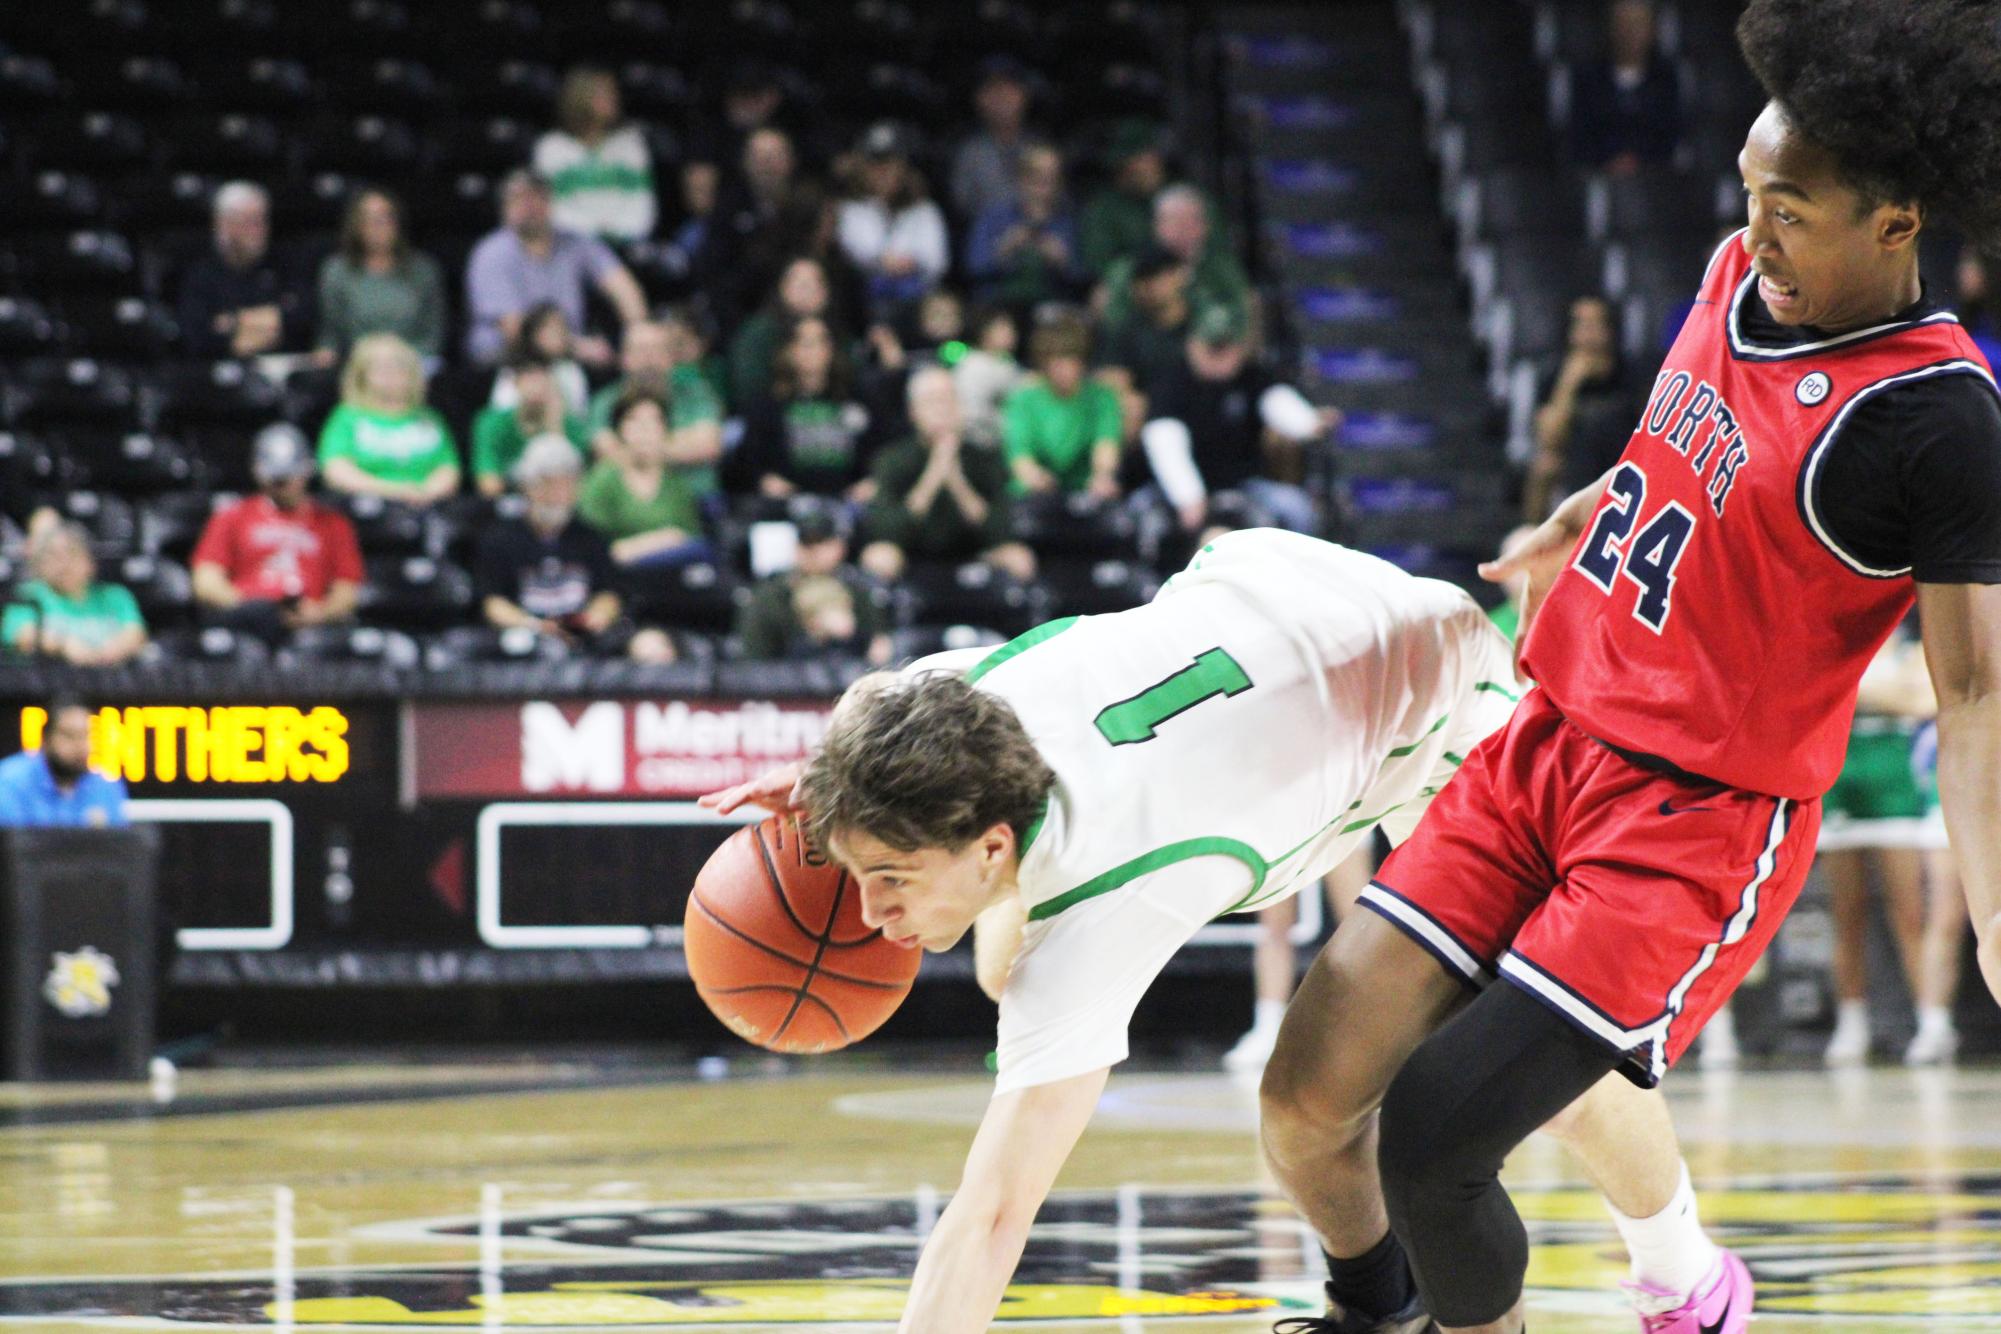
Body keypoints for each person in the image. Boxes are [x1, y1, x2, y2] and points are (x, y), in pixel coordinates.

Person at [1259, 5, 2001, 1332]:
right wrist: (1595, 503)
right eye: (1747, 193)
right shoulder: (1733, 277)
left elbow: (1974, 689)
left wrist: (1995, 907)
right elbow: (1707, 453)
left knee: (1435, 1135)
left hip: (1692, 823)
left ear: (1895, 221)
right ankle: (1381, 1312)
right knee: (1307, 1089)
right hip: (1547, 745)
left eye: (1790, 206)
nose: (1754, 226)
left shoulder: (1936, 417)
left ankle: (1636, 1290)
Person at [698, 528, 1723, 1334]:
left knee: (1540, 1058)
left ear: (993, 845)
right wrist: (829, 790)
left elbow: (991, 1216)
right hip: (1258, 589)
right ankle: (1383, 1304)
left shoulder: (1108, 902)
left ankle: (1690, 1278)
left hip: (1430, 689)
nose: (868, 915)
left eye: (889, 878)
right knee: (1014, 968)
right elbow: (872, 707)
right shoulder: (943, 693)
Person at [1815, 628, 1966, 1066]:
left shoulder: (1913, 647)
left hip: (1895, 788)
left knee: (1910, 911)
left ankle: (1930, 1021)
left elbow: (1925, 701)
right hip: (1842, 784)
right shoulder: (1837, 641)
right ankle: (1851, 1022)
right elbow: (1824, 693)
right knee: (1847, 913)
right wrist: (1887, 692)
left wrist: (1860, 690)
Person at [475, 435, 674, 663]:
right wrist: (536, 625)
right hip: (526, 637)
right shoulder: (500, 540)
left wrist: (594, 617)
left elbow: (609, 594)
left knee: (648, 643)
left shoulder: (590, 538)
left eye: (568, 484)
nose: (560, 495)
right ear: (528, 487)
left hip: (582, 638)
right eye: (549, 484)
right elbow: (492, 604)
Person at [1138, 304, 1328, 539]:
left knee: (1297, 507)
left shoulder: (1252, 376)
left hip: (1243, 484)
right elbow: (1163, 440)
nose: (1220, 356)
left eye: (1227, 347)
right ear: (1192, 345)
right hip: (1172, 490)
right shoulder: (1172, 383)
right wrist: (1188, 495)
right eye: (1212, 348)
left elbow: (1278, 402)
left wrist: (1309, 422)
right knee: (1138, 513)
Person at [859, 366, 1034, 584]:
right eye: (932, 400)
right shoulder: (891, 459)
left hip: (974, 553)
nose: (943, 408)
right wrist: (933, 475)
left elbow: (1000, 531)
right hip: (912, 553)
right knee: (878, 557)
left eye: (949, 399)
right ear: (913, 411)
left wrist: (956, 481)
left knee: (1019, 558)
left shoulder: (985, 457)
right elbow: (887, 530)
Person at [191, 424, 364, 643]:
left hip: (311, 623)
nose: (281, 485)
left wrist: (318, 614)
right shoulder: (232, 515)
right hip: (246, 620)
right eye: (275, 478)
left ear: (307, 469)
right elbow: (206, 581)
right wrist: (251, 606)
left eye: (287, 477)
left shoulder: (334, 524)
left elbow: (346, 592)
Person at [463, 169, 647, 366]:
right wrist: (578, 347)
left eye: (536, 197)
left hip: (568, 355)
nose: (529, 206)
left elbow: (622, 286)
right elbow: (515, 329)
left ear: (550, 202)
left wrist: (638, 332)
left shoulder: (575, 242)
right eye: (519, 198)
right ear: (504, 207)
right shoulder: (491, 252)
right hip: (508, 358)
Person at [727, 315, 882, 507]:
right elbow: (745, 461)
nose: (814, 350)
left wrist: (874, 480)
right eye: (805, 343)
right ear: (789, 350)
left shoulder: (860, 399)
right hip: (785, 506)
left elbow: (883, 450)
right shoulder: (767, 404)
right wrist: (763, 480)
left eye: (821, 341)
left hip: (849, 503)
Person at [1523, 295, 1639, 522]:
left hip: (1621, 461)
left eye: (1596, 324)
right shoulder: (1554, 374)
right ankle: (1535, 536)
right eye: (1582, 324)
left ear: (1610, 329)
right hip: (1573, 460)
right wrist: (1569, 383)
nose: (1589, 333)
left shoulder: (1631, 373)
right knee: (1545, 466)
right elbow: (1548, 439)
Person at [733, 506, 891, 665]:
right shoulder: (769, 596)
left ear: (839, 547)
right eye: (806, 543)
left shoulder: (859, 591)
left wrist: (850, 637)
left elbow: (879, 646)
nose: (812, 551)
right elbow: (755, 659)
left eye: (821, 542)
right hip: (786, 684)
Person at [586, 318, 725, 496]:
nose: (649, 359)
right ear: (623, 358)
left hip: (696, 499)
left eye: (657, 350)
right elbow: (606, 453)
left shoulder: (694, 393)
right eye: (641, 351)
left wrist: (639, 451)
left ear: (670, 357)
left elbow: (708, 445)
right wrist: (680, 443)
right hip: (628, 505)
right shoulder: (605, 401)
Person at [317, 334, 460, 506]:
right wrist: (395, 491)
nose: (392, 376)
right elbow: (336, 471)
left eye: (401, 368)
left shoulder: (429, 419)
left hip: (428, 507)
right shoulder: (347, 417)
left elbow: (448, 469)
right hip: (369, 508)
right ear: (361, 375)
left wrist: (425, 493)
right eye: (381, 369)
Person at [176, 180, 309, 359]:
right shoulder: (202, 273)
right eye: (249, 222)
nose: (258, 230)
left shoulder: (285, 263)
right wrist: (269, 323)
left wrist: (234, 321)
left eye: (261, 220)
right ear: (225, 225)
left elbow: (302, 319)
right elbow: (198, 339)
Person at [577, 388, 706, 567]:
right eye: (634, 421)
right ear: (619, 428)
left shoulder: (677, 485)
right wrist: (657, 541)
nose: (645, 430)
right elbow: (588, 545)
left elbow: (689, 540)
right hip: (619, 576)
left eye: (654, 421)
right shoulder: (602, 480)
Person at [315, 187, 445, 363]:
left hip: (415, 363)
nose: (378, 227)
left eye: (385, 219)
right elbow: (331, 331)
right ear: (356, 226)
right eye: (370, 220)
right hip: (357, 364)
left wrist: (400, 362)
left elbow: (433, 332)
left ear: (397, 223)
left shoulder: (423, 269)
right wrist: (327, 351)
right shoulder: (336, 271)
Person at [1001, 316, 1124, 499]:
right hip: (1034, 493)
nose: (1065, 369)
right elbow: (1019, 453)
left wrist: (1102, 477)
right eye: (1056, 361)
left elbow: (1106, 445)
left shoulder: (1101, 398)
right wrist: (1035, 477)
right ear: (1043, 362)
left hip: (1084, 491)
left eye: (1072, 360)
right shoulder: (1023, 400)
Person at [1100, 184, 1250, 332]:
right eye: (1174, 221)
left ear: (1205, 227)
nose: (1183, 229)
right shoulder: (1128, 268)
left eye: (1192, 220)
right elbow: (1114, 321)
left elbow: (1244, 315)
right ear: (1157, 227)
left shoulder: (1222, 267)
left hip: (1214, 349)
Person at [535, 65, 657, 243]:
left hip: (625, 243)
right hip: (570, 246)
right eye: (603, 93)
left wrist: (617, 232)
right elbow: (551, 208)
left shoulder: (631, 143)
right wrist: (591, 235)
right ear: (579, 97)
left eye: (613, 92)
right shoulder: (551, 147)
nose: (613, 98)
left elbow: (643, 204)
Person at [837, 122, 950, 313]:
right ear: (863, 169)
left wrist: (899, 263)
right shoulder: (850, 209)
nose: (883, 172)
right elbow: (856, 252)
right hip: (866, 301)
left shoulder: (924, 209)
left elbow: (937, 261)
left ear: (902, 167)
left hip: (920, 299)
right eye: (875, 165)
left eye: (889, 164)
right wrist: (889, 262)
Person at [1, 519, 147, 667]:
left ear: (90, 562)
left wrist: (111, 651)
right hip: (49, 680)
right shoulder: (27, 596)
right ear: (40, 564)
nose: (64, 564)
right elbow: (23, 634)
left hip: (108, 680)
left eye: (72, 554)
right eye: (53, 556)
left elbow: (135, 634)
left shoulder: (115, 596)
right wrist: (63, 645)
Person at [1570, 0, 1683, 175]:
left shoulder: (1666, 81)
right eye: (1623, 24)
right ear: (1611, 28)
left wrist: (1640, 163)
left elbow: (1671, 137)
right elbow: (1581, 137)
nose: (1629, 33)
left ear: (1652, 30)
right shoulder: (1589, 80)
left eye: (1637, 24)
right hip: (1599, 179)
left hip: (1655, 182)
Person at [965, 144, 1082, 310]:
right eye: (1037, 180)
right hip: (998, 305)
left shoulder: (1066, 222)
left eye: (1051, 180)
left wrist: (1062, 261)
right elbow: (974, 268)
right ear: (1021, 180)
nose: (1044, 189)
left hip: (1052, 308)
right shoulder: (994, 217)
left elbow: (1082, 276)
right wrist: (1003, 250)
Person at [728, 255, 842, 409]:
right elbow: (748, 388)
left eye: (815, 284)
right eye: (800, 285)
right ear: (783, 288)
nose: (807, 292)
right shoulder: (760, 332)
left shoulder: (837, 329)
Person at [471, 352, 590, 497]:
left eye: (542, 377)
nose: (536, 385)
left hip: (557, 506)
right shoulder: (491, 422)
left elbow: (577, 486)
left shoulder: (571, 426)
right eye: (529, 377)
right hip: (510, 502)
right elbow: (488, 484)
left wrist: (555, 429)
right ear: (516, 382)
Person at [0, 699, 127, 828]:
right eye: (69, 736)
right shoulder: (10, 782)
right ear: (46, 739)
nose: (80, 745)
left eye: (86, 735)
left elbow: (118, 844)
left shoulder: (105, 786)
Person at [1079, 119, 1168, 280]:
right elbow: (1098, 266)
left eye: (1154, 156)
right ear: (1123, 165)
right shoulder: (1103, 211)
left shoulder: (1177, 201)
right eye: (1143, 158)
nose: (1153, 165)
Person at [950, 56, 1034, 223]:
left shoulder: (1040, 146)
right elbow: (962, 205)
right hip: (987, 236)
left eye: (1009, 88)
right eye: (992, 89)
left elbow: (1058, 202)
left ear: (1024, 95)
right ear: (979, 99)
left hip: (1038, 236)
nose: (1002, 97)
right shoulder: (969, 153)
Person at [488, 302, 591, 415]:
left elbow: (578, 416)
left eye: (561, 327)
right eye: (550, 328)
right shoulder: (513, 372)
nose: (558, 334)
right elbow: (500, 412)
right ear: (533, 333)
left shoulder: (571, 372)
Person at [952, 306, 1026, 448]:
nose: (1010, 333)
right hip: (981, 446)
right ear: (983, 332)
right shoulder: (972, 365)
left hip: (1009, 442)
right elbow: (972, 416)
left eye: (1010, 327)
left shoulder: (1007, 362)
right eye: (1002, 327)